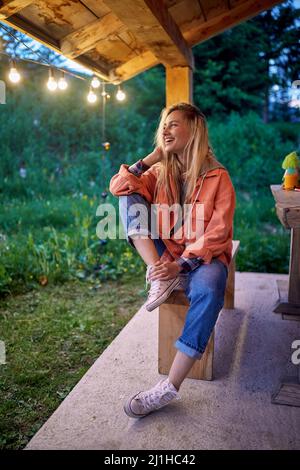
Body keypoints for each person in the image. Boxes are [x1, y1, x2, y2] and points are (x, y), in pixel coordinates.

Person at [109, 102, 236, 418]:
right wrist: (154, 156)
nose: (165, 129)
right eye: (164, 124)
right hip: (166, 254)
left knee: (210, 287)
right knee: (129, 197)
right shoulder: (158, 171)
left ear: (194, 130)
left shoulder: (218, 177)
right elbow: (118, 186)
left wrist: (182, 264)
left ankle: (169, 387)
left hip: (202, 258)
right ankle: (159, 274)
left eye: (174, 124)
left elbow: (218, 233)